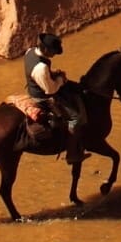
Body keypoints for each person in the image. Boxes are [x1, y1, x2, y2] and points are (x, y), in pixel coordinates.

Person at [24, 32, 85, 166]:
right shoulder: (41, 67)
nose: (54, 54)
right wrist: (60, 79)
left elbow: (39, 77)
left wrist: (52, 74)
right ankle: (72, 154)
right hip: (42, 98)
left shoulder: (30, 52)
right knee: (75, 118)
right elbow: (50, 90)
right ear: (45, 49)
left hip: (33, 87)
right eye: (53, 51)